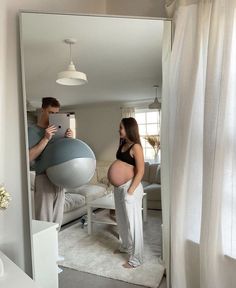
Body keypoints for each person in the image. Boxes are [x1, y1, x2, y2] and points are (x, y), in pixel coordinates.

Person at [28, 97, 73, 228]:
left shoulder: (59, 131)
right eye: (50, 112)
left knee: (57, 221)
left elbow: (64, 154)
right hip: (44, 178)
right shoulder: (32, 131)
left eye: (56, 113)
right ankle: (43, 248)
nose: (53, 116)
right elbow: (29, 157)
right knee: (44, 221)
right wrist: (46, 138)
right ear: (43, 110)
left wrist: (68, 140)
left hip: (60, 178)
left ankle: (53, 248)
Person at [108, 117, 145, 268]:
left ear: (129, 128)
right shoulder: (123, 143)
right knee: (122, 220)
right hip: (119, 188)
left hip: (131, 188)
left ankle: (137, 258)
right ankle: (126, 246)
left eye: (121, 127)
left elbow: (141, 170)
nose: (119, 130)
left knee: (134, 223)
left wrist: (130, 191)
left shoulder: (136, 146)